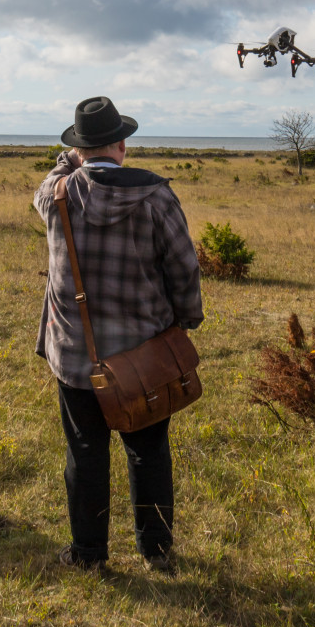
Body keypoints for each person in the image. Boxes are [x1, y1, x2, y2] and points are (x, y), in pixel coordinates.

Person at [32, 96, 203, 572]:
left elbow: (49, 179)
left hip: (74, 356)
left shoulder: (56, 195)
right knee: (149, 452)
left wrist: (72, 158)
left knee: (84, 453)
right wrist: (185, 320)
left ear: (79, 150)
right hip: (143, 357)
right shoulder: (156, 196)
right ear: (123, 145)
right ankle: (156, 551)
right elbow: (184, 268)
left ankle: (88, 555)